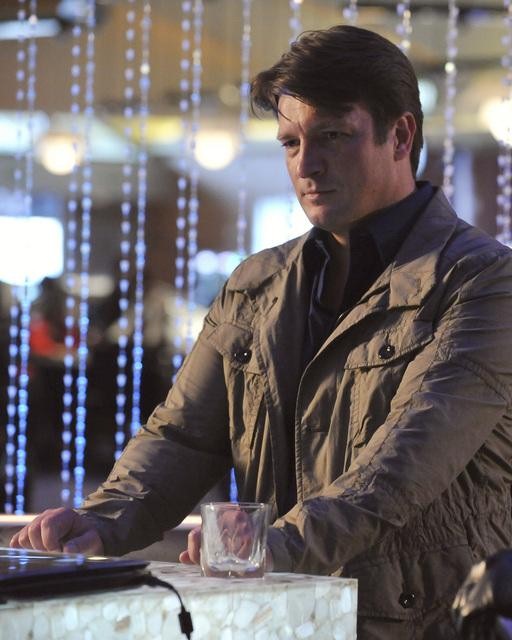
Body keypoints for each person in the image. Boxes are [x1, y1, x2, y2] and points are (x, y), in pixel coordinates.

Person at [11, 25, 512, 639]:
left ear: (401, 136)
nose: (306, 164)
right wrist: (100, 522)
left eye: (333, 136)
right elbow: (183, 437)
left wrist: (268, 548)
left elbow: (403, 466)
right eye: (290, 142)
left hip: (425, 625)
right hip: (278, 618)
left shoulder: (485, 281)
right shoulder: (256, 284)